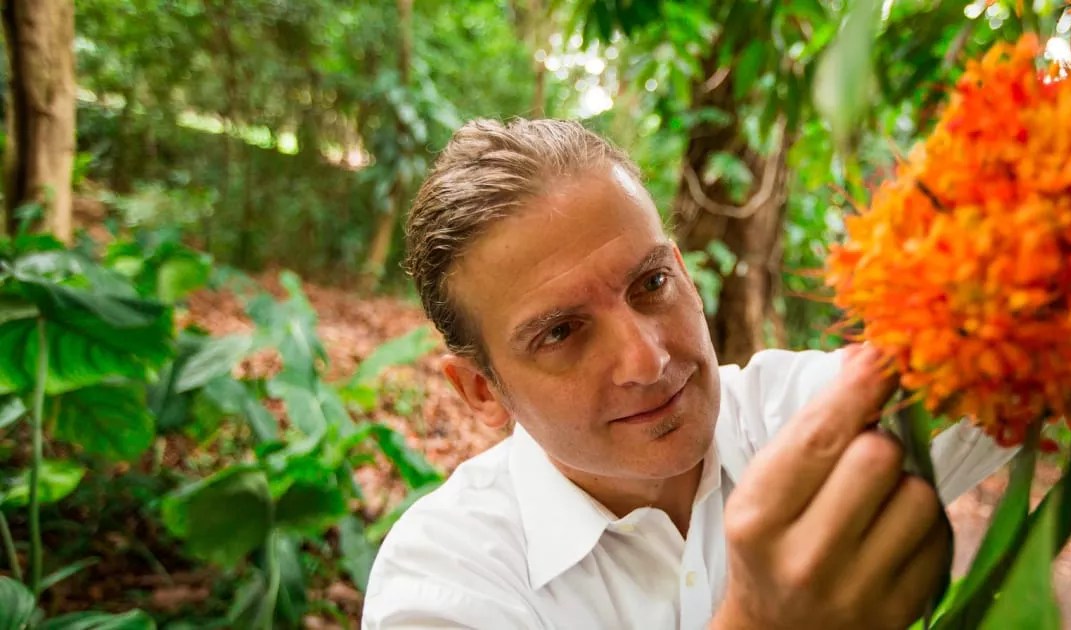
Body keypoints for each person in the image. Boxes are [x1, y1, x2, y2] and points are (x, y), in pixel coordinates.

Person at [360, 118, 1015, 629]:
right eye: (561, 332)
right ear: (481, 389)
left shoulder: (791, 417)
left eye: (651, 283)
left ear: (684, 271)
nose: (648, 360)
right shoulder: (446, 580)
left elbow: (1016, 345)